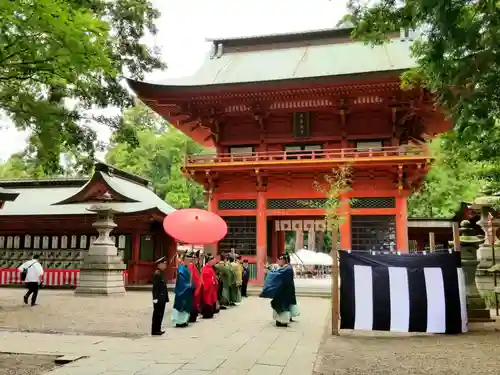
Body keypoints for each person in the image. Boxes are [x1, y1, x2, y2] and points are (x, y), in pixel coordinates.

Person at [259, 252, 298, 327]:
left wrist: (271, 272)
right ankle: (281, 320)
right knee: (280, 305)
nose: (279, 261)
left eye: (281, 259)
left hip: (284, 291)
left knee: (282, 306)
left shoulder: (287, 269)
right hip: (282, 290)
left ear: (285, 260)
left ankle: (283, 321)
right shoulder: (286, 267)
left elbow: (278, 274)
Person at [171, 252, 193, 328]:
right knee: (181, 306)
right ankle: (179, 322)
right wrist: (187, 285)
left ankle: (184, 321)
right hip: (182, 290)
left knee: (186, 306)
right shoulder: (181, 268)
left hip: (187, 291)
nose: (188, 261)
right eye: (187, 259)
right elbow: (181, 280)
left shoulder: (187, 268)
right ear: (183, 260)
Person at [151, 256, 169, 336]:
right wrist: (155, 299)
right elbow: (155, 288)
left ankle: (158, 329)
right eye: (163, 264)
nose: (165, 265)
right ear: (159, 264)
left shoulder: (161, 273)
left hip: (162, 298)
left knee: (160, 314)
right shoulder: (157, 274)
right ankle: (155, 330)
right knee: (157, 315)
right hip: (158, 298)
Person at [186, 250, 202, 322]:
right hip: (192, 287)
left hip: (196, 287)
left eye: (196, 258)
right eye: (194, 258)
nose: (195, 259)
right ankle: (192, 316)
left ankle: (193, 315)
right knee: (192, 303)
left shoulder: (195, 266)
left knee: (195, 303)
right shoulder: (190, 266)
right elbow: (190, 276)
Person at [200, 254, 218, 319]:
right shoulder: (205, 268)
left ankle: (210, 312)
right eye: (213, 260)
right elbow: (205, 278)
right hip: (208, 288)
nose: (214, 262)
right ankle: (207, 313)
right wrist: (212, 281)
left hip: (211, 288)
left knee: (211, 300)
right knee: (208, 300)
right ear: (209, 261)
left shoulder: (210, 268)